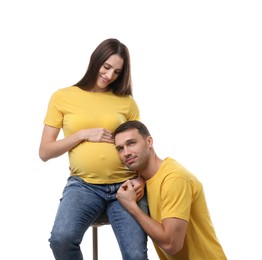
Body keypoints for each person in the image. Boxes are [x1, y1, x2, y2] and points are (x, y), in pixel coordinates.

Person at [39, 39, 148, 260]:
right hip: (84, 186)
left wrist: (142, 180)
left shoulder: (127, 102)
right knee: (61, 240)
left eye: (117, 72)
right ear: (95, 60)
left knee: (136, 255)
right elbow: (45, 151)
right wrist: (82, 134)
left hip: (125, 186)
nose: (109, 76)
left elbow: (141, 149)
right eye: (106, 67)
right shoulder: (62, 97)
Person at [114, 120, 227, 260]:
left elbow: (171, 245)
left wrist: (131, 206)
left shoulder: (174, 179)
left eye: (131, 143)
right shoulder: (142, 180)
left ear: (149, 142)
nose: (126, 153)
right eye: (120, 148)